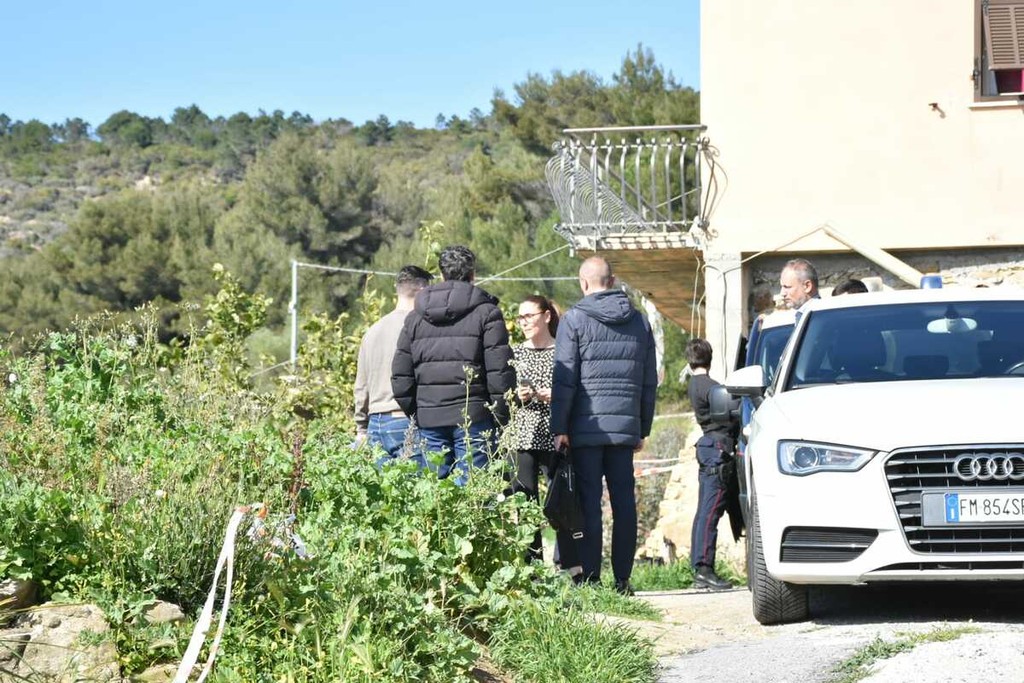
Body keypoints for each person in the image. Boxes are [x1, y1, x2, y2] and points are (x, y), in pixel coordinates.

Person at [550, 256, 658, 594]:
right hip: (624, 429)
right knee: (624, 503)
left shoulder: (574, 319)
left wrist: (559, 427)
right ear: (612, 282)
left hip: (585, 429)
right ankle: (623, 579)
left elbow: (564, 379)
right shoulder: (639, 322)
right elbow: (649, 381)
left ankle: (592, 579)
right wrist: (642, 427)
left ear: (584, 282)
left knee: (589, 503)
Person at [391, 245, 514, 485]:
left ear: (441, 274)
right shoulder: (487, 313)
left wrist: (419, 412)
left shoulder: (415, 318)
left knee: (435, 495)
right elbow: (500, 372)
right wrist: (499, 416)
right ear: (473, 274)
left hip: (430, 417)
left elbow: (400, 376)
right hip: (474, 418)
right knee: (474, 495)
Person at [508, 295, 582, 576]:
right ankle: (533, 571)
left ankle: (570, 566)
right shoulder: (514, 353)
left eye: (529, 316)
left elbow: (576, 390)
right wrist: (517, 395)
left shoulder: (562, 351)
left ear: (547, 316)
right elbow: (504, 395)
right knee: (525, 503)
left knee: (562, 500)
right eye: (520, 317)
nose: (523, 322)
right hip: (522, 436)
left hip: (555, 434)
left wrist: (557, 396)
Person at [354, 265, 433, 466]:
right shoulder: (420, 328)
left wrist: (361, 428)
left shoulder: (372, 331)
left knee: (382, 485)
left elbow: (361, 387)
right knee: (415, 483)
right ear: (422, 291)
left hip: (375, 423)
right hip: (405, 421)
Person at [685, 338, 734, 590]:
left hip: (709, 447)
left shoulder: (694, 385)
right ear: (710, 358)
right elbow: (732, 413)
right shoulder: (712, 388)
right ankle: (704, 568)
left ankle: (701, 568)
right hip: (717, 449)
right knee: (711, 510)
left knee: (705, 510)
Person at [779, 258, 820, 323]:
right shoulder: (793, 317)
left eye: (787, 287)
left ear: (807, 286)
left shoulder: (821, 316)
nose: (782, 293)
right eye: (782, 287)